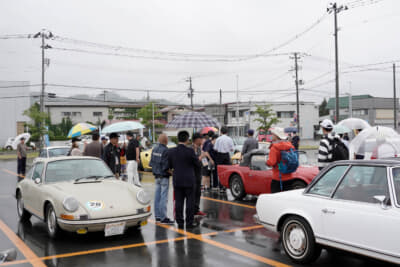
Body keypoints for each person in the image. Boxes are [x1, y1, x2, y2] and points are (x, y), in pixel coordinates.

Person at [168, 131, 200, 228]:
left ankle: (180, 222)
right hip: (189, 180)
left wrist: (174, 173)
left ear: (178, 139)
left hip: (177, 179)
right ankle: (189, 222)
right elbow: (198, 165)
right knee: (190, 202)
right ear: (187, 139)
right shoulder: (190, 151)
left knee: (179, 202)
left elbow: (168, 167)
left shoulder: (171, 151)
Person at [150, 133, 174, 224]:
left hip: (156, 176)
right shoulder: (166, 151)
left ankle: (157, 217)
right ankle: (164, 217)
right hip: (164, 177)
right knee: (164, 197)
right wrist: (172, 173)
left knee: (157, 197)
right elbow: (166, 167)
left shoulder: (154, 149)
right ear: (166, 141)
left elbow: (151, 163)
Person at [266, 127, 295, 192]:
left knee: (276, 199)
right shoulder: (290, 145)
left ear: (276, 136)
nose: (271, 136)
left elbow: (272, 162)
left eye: (272, 134)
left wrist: (266, 162)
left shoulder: (274, 147)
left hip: (278, 178)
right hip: (289, 176)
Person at [213, 126, 234, 192]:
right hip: (226, 155)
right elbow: (232, 149)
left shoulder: (218, 139)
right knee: (227, 170)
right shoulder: (229, 139)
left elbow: (215, 148)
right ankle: (227, 186)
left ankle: (221, 186)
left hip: (219, 155)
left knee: (220, 171)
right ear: (227, 132)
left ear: (221, 132)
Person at [191, 133, 207, 216]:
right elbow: (193, 162)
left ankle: (196, 209)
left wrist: (204, 159)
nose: (202, 141)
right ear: (196, 139)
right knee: (192, 193)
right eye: (201, 139)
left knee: (198, 192)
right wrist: (201, 157)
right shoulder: (190, 149)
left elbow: (202, 161)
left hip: (198, 173)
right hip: (191, 174)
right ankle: (191, 211)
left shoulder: (200, 149)